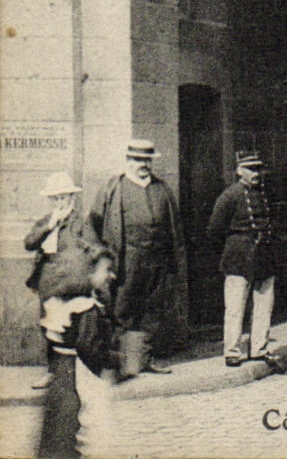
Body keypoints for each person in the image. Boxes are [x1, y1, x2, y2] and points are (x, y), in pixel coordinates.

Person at [88, 139, 185, 379]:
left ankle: (144, 359)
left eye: (147, 160)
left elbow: (175, 227)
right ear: (128, 161)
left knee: (151, 311)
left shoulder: (161, 189)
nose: (143, 165)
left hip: (157, 261)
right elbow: (93, 225)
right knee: (123, 310)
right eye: (138, 160)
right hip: (126, 261)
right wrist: (102, 260)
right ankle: (121, 363)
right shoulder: (113, 189)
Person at [37, 245, 118, 459]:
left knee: (58, 431)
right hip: (79, 377)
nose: (112, 275)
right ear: (89, 273)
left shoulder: (63, 303)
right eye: (107, 270)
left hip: (61, 377)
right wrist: (111, 363)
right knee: (84, 427)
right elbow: (89, 347)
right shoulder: (86, 308)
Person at [25, 173, 95, 390]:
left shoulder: (81, 222)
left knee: (72, 326)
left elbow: (92, 249)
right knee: (49, 325)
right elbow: (29, 243)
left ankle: (74, 374)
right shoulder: (45, 221)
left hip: (72, 280)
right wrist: (49, 226)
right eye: (55, 198)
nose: (59, 202)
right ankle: (53, 372)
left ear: (71, 198)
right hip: (48, 278)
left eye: (63, 198)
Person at [207, 150, 277, 367]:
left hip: (263, 256)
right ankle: (232, 351)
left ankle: (258, 348)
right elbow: (214, 230)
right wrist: (232, 248)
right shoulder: (230, 195)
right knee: (235, 306)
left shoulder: (265, 194)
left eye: (257, 168)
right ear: (239, 171)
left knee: (264, 304)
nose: (256, 173)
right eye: (250, 169)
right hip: (238, 257)